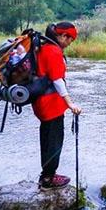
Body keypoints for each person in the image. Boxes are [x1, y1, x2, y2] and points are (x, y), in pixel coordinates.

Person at [32, 22, 82, 190]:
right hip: (51, 105)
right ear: (62, 36)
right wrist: (70, 104)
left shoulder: (43, 47)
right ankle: (48, 178)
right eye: (70, 39)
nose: (69, 43)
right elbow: (57, 80)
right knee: (54, 140)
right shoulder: (53, 51)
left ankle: (46, 174)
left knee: (46, 138)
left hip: (41, 103)